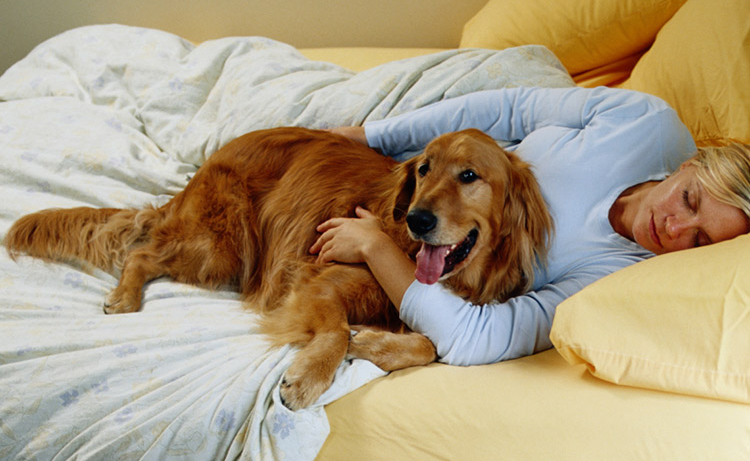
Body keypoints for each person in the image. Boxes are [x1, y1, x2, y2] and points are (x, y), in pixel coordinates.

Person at [308, 86, 750, 366]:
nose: (674, 227)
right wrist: (370, 135)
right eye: (688, 198)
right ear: (688, 164)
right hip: (452, 157)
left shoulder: (617, 279)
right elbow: (510, 107)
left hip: (452, 262)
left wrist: (376, 248)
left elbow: (474, 338)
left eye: (700, 239)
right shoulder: (644, 123)